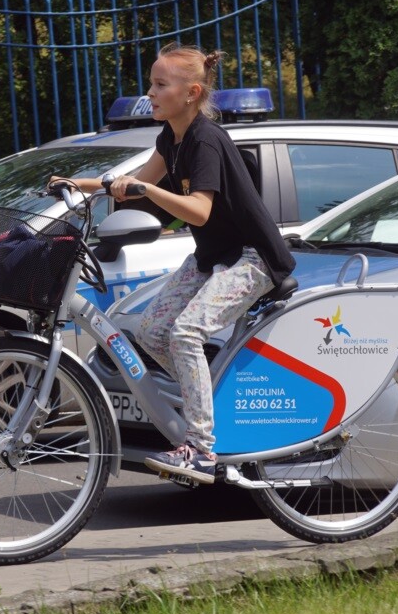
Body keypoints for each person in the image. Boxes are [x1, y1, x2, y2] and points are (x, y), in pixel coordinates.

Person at [50, 43, 295, 484]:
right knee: (151, 332)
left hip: (253, 258)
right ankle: (207, 404)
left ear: (191, 93)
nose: (150, 93)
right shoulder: (171, 137)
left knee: (185, 333)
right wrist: (76, 184)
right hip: (212, 256)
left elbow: (197, 211)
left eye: (160, 85)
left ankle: (201, 450)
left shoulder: (206, 140)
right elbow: (134, 181)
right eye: (151, 83)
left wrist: (148, 193)